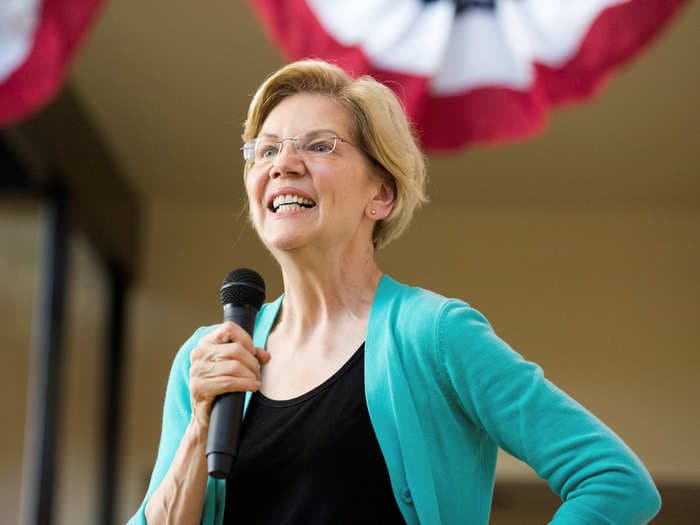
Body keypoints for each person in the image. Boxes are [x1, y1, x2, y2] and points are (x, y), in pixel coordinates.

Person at [129, 59, 661, 524]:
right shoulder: (208, 359)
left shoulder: (435, 335)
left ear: (380, 194)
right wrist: (199, 428)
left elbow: (614, 481)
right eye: (265, 150)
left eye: (318, 146)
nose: (282, 164)